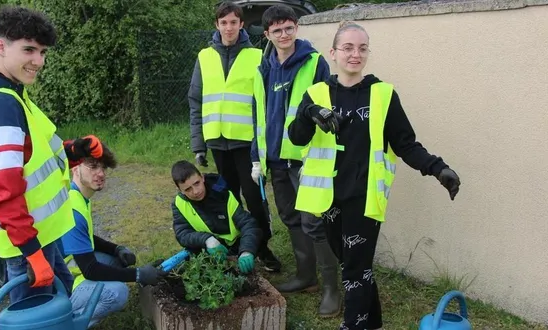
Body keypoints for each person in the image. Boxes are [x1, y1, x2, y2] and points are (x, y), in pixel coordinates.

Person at [288, 21, 461, 330]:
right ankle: (374, 323)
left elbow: (406, 143)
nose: (356, 54)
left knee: (354, 271)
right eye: (348, 47)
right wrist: (309, 114)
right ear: (334, 52)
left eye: (362, 48)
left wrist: (438, 168)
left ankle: (353, 325)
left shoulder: (383, 94)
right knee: (356, 264)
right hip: (327, 199)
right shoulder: (315, 94)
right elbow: (296, 138)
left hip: (364, 198)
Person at [0, 5, 104, 303]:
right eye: (29, 50)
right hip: (27, 246)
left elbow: (38, 156)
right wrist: (32, 253)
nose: (38, 61)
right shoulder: (1, 105)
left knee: (62, 307)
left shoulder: (15, 94)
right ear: (1, 47)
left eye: (43, 52)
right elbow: (5, 193)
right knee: (38, 318)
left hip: (41, 238)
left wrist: (75, 151)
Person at [249, 4, 342, 317]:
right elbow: (258, 116)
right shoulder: (263, 68)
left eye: (289, 27)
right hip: (275, 159)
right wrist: (256, 158)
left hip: (306, 158)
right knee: (290, 218)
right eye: (277, 30)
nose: (284, 34)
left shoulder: (314, 63)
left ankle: (331, 288)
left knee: (314, 222)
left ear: (296, 28)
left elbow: (327, 105)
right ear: (267, 35)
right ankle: (306, 277)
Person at [188, 1, 281, 272]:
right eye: (223, 22)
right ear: (217, 25)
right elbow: (196, 101)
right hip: (217, 141)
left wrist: (264, 145)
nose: (228, 27)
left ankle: (262, 248)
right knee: (228, 200)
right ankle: (238, 247)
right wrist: (199, 145)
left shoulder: (256, 57)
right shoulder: (204, 56)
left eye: (233, 22)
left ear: (242, 24)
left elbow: (265, 103)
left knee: (255, 200)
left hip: (248, 144)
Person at [58, 142, 167, 327]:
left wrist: (116, 249)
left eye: (103, 167)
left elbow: (86, 239)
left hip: (69, 269)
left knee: (116, 261)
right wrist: (139, 274)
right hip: (60, 286)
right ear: (75, 168)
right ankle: (67, 322)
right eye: (93, 166)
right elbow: (90, 269)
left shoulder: (78, 195)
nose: (100, 173)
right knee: (117, 293)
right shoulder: (73, 208)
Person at [170, 160, 261, 274]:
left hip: (236, 248)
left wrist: (247, 250)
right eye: (188, 189)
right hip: (207, 251)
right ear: (180, 191)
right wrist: (207, 239)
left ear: (202, 177)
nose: (196, 191)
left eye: (197, 183)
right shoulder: (179, 204)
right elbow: (182, 234)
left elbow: (248, 224)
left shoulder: (222, 193)